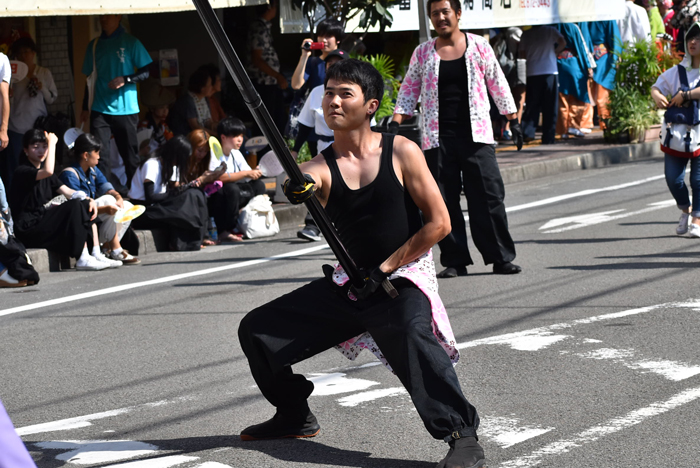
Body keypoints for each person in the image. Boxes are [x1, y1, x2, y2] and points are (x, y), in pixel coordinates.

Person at [238, 58, 485, 468]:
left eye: (344, 93)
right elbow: (304, 179)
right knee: (257, 331)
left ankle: (462, 435)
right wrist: (295, 187)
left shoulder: (401, 151)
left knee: (410, 330)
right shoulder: (322, 165)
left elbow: (439, 223)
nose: (333, 100)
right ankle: (294, 414)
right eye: (329, 92)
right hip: (350, 285)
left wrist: (386, 267)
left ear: (370, 105)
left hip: (401, 276)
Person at [392, 0, 522, 278]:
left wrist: (513, 118)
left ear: (458, 14)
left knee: (489, 197)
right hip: (437, 139)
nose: (440, 18)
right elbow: (409, 87)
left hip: (477, 136)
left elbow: (497, 82)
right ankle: (454, 259)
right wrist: (395, 121)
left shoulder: (479, 46)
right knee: (443, 201)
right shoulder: (424, 52)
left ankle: (500, 257)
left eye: (445, 12)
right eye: (434, 14)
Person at [9, 129, 118, 271]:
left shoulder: (48, 175)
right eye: (36, 147)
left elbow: (68, 192)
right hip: (28, 228)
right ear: (25, 150)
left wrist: (88, 199)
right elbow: (47, 171)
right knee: (74, 206)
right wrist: (52, 143)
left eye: (44, 146)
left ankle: (96, 252)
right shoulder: (22, 171)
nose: (41, 151)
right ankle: (82, 256)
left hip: (42, 222)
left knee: (82, 203)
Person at [80, 14, 152, 187]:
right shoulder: (94, 45)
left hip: (126, 108)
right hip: (99, 107)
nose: (103, 19)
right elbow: (89, 79)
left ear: (118, 16)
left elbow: (146, 71)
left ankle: (137, 194)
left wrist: (125, 79)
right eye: (101, 15)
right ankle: (104, 193)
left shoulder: (131, 42)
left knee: (130, 156)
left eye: (108, 15)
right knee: (99, 155)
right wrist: (85, 107)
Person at [291, 48, 348, 242]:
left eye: (338, 63)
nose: (333, 67)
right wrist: (295, 150)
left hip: (350, 149)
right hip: (324, 148)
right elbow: (305, 125)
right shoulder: (316, 92)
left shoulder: (356, 91)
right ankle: (312, 225)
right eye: (329, 64)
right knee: (317, 186)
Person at [58, 133, 140, 264]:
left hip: (94, 222)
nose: (99, 156)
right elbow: (77, 209)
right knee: (108, 200)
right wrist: (106, 209)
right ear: (86, 155)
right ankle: (116, 249)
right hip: (80, 228)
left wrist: (118, 197)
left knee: (127, 206)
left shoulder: (93, 170)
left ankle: (108, 248)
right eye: (96, 152)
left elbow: (106, 186)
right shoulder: (70, 174)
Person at [651, 21, 700, 237]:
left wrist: (687, 95)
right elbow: (656, 86)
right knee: (673, 178)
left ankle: (697, 218)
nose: (693, 42)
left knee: (698, 179)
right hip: (677, 135)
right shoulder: (677, 71)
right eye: (690, 37)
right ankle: (685, 209)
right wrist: (657, 95)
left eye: (698, 38)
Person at [128, 135, 215, 251]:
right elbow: (151, 197)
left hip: (158, 205)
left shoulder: (170, 166)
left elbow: (176, 189)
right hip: (143, 210)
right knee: (182, 207)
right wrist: (176, 192)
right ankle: (183, 243)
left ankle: (201, 236)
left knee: (195, 193)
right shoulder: (152, 164)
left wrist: (193, 183)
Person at [2, 38, 57, 188]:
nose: (23, 56)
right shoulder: (13, 74)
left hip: (37, 126)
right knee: (15, 164)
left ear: (33, 53)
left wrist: (42, 87)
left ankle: (39, 194)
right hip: (16, 127)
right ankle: (14, 199)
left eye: (26, 52)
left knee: (39, 163)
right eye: (19, 53)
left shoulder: (43, 72)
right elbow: (8, 101)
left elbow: (52, 98)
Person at [206, 118, 267, 242]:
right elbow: (219, 177)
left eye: (241, 135)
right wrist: (246, 173)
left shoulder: (236, 153)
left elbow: (246, 174)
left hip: (235, 192)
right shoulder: (214, 153)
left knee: (258, 185)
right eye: (236, 136)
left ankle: (249, 221)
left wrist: (254, 172)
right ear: (223, 137)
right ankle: (227, 230)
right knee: (231, 189)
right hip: (218, 196)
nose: (240, 139)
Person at [288, 18, 344, 143]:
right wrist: (304, 56)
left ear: (338, 39)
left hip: (339, 121)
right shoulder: (313, 62)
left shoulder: (345, 61)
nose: (323, 40)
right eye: (320, 35)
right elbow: (296, 85)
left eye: (329, 36)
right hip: (317, 124)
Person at [519, 25, 567, 144]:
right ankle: (548, 136)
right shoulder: (550, 30)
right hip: (550, 70)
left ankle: (528, 132)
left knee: (532, 104)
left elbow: (521, 53)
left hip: (532, 71)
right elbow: (562, 42)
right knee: (550, 106)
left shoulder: (526, 34)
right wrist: (554, 52)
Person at [247, 0, 288, 133]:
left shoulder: (264, 27)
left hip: (269, 82)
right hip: (263, 82)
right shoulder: (258, 28)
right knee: (267, 123)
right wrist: (277, 76)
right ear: (269, 7)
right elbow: (256, 58)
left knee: (276, 119)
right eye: (275, 6)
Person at [555, 23, 596, 139]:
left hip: (557, 63)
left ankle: (562, 129)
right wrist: (588, 66)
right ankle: (573, 126)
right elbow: (582, 48)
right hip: (573, 63)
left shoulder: (553, 25)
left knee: (562, 98)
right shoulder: (573, 27)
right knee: (577, 97)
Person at [579, 21, 621, 131]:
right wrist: (615, 59)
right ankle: (605, 125)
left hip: (594, 58)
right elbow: (615, 40)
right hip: (601, 57)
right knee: (599, 96)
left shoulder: (584, 16)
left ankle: (595, 124)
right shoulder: (607, 17)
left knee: (596, 95)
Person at [169, 67, 216, 137]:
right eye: (209, 85)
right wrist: (214, 134)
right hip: (185, 136)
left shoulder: (205, 99)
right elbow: (195, 127)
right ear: (202, 88)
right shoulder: (188, 101)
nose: (212, 87)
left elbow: (208, 121)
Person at [138, 81, 175, 153]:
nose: (165, 111)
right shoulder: (144, 126)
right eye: (161, 108)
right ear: (152, 109)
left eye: (167, 107)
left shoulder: (163, 126)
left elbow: (171, 142)